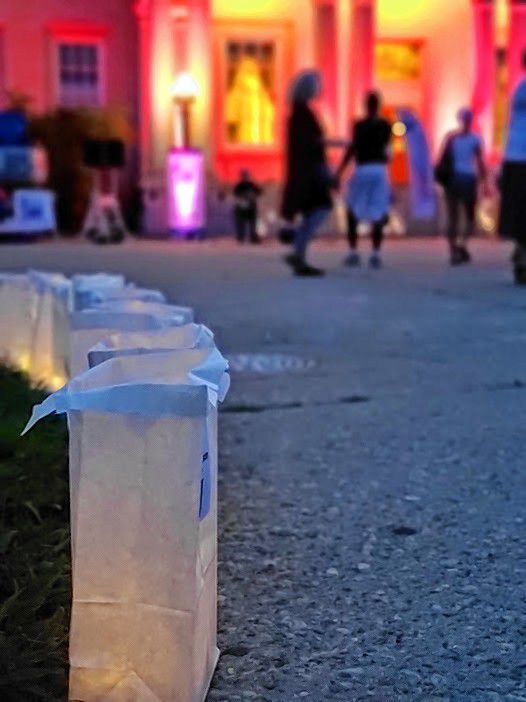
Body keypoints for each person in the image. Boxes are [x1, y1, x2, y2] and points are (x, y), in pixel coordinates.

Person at [281, 70, 333, 276]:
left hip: (304, 171)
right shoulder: (304, 114)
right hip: (309, 171)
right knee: (321, 207)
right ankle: (298, 248)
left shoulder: (297, 113)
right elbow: (311, 144)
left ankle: (299, 253)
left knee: (313, 210)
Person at [336, 91, 392, 269]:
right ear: (379, 105)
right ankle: (376, 254)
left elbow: (352, 149)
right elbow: (388, 151)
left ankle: (353, 252)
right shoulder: (386, 125)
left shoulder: (359, 125)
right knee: (378, 210)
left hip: (362, 169)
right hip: (379, 170)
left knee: (352, 208)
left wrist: (339, 172)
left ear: (365, 105)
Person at [438, 108, 487, 265]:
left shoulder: (451, 138)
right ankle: (462, 245)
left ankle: (453, 250)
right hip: (468, 178)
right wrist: (485, 182)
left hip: (453, 179)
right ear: (470, 121)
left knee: (453, 217)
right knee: (469, 217)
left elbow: (442, 159)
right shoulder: (475, 139)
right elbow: (480, 162)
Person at [499, 50, 526, 284]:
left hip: (514, 157)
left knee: (519, 211)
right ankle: (521, 255)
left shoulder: (518, 88)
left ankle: (520, 252)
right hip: (521, 158)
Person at [232, 169, 262, 244]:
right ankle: (241, 237)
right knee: (242, 223)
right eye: (244, 175)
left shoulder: (251, 184)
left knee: (252, 224)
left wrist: (252, 195)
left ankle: (252, 237)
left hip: (250, 207)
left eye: (246, 175)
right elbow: (236, 195)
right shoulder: (239, 185)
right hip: (242, 208)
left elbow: (259, 192)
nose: (245, 177)